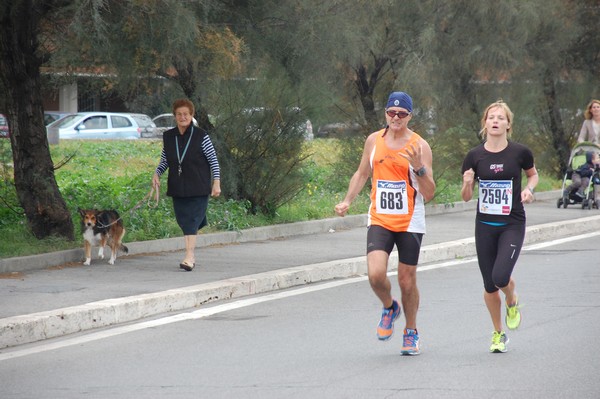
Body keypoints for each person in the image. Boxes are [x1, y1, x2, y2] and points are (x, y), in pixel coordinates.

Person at [334, 91, 435, 355]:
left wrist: (418, 168)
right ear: (386, 113)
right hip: (380, 216)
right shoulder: (373, 141)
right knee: (376, 274)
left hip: (410, 220)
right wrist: (347, 200)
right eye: (392, 112)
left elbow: (429, 192)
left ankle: (411, 331)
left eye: (402, 114)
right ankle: (390, 307)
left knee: (406, 280)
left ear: (410, 116)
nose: (396, 118)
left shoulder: (420, 145)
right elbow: (361, 173)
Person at [461, 100, 538, 353]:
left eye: (500, 118)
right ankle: (498, 334)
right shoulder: (474, 156)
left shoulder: (520, 152)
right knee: (489, 285)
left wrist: (528, 190)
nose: (495, 121)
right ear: (485, 123)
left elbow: (533, 174)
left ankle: (512, 297)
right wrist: (467, 182)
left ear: (508, 124)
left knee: (500, 277)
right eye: (491, 117)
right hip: (484, 225)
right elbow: (465, 196)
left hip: (512, 224)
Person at [152, 99, 221, 271]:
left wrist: (216, 183)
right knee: (185, 221)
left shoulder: (201, 135)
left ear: (191, 116)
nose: (183, 117)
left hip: (198, 186)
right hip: (178, 186)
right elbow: (165, 160)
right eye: (179, 114)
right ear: (175, 116)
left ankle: (189, 257)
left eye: (186, 114)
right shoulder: (169, 137)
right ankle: (192, 247)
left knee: (191, 221)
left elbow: (213, 161)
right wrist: (156, 174)